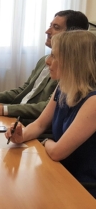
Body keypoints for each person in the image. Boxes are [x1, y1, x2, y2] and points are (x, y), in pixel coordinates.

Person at [5, 30, 96, 198]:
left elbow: (57, 152)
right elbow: (40, 124)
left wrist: (45, 141)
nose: (48, 61)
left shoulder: (93, 101)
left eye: (54, 56)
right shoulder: (63, 87)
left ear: (73, 62)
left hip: (82, 187)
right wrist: (22, 135)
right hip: (59, 172)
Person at [0, 10, 89, 125]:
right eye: (50, 25)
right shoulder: (44, 60)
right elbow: (25, 90)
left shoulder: (72, 70)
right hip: (18, 119)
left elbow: (46, 109)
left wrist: (4, 110)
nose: (47, 31)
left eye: (56, 27)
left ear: (73, 35)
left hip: (30, 124)